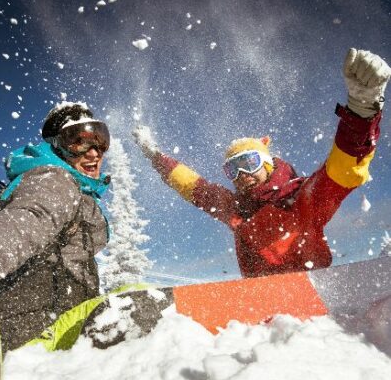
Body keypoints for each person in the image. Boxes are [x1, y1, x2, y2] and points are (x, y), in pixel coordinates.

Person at [133, 48, 391, 278]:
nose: (242, 173)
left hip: (313, 290)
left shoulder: (301, 197)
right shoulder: (236, 208)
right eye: (232, 169)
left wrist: (361, 112)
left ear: (267, 164)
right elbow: (194, 188)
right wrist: (156, 157)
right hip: (262, 301)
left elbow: (341, 172)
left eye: (249, 162)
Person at [0, 102, 112, 352]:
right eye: (79, 142)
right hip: (33, 326)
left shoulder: (63, 189)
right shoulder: (55, 180)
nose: (94, 153)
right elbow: (26, 222)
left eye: (100, 142)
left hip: (38, 321)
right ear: (57, 146)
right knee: (144, 305)